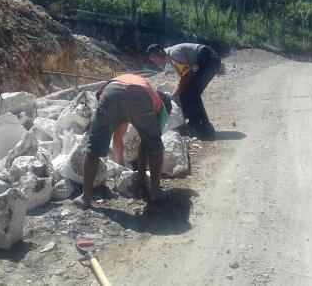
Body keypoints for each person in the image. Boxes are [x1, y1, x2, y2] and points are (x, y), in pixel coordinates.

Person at [74, 74, 172, 209]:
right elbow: (150, 145)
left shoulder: (146, 87)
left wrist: (117, 119)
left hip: (111, 93)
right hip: (140, 96)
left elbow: (100, 97)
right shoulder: (160, 107)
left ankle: (85, 197)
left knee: (94, 146)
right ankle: (155, 193)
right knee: (155, 146)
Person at [146, 43, 221, 138]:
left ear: (160, 52)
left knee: (192, 93)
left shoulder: (174, 54)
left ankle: (204, 128)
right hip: (204, 60)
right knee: (186, 92)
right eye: (152, 60)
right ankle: (193, 123)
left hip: (210, 59)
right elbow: (183, 75)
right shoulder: (170, 58)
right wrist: (178, 91)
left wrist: (174, 93)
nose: (154, 62)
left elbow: (188, 75)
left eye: (154, 59)